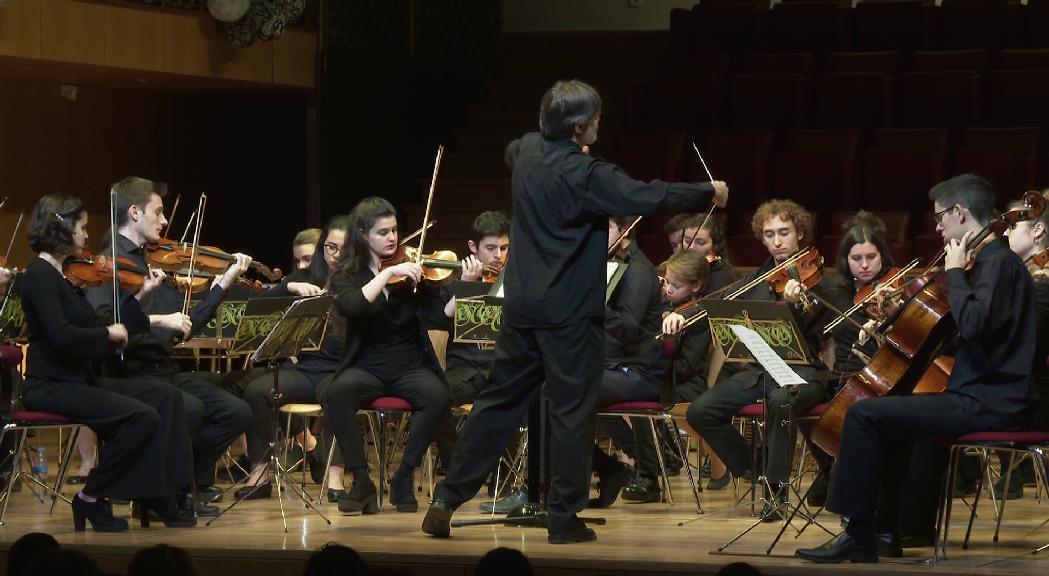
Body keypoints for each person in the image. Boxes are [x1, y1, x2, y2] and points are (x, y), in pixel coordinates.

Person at [422, 78, 728, 543]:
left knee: (497, 402)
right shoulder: (589, 175)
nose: (600, 125)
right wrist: (709, 191)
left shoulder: (526, 152)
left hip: (522, 307)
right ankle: (563, 520)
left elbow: (511, 151)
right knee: (570, 414)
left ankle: (446, 499)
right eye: (597, 119)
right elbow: (648, 195)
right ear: (581, 126)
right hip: (570, 314)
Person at [795, 174, 1036, 563]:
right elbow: (972, 331)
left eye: (941, 217)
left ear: (960, 213)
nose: (938, 226)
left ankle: (858, 534)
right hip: (979, 394)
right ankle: (885, 532)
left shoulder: (999, 266)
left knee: (862, 414)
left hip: (987, 401)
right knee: (889, 416)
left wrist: (955, 272)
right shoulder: (990, 265)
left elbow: (973, 323)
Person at [19, 194, 193, 531]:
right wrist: (106, 335)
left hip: (78, 380)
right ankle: (91, 497)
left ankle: (160, 493)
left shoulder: (64, 277)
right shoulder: (38, 276)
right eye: (81, 227)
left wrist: (139, 298)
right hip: (51, 385)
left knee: (164, 395)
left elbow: (105, 327)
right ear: (62, 227)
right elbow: (61, 335)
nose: (86, 235)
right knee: (140, 417)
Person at [86, 176, 254, 513]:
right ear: (134, 212)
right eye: (158, 212)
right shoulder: (109, 265)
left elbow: (183, 328)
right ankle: (163, 492)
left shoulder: (153, 262)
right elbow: (104, 325)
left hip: (163, 370)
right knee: (188, 407)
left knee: (236, 411)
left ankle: (179, 484)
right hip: (129, 373)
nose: (164, 221)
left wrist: (222, 284)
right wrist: (157, 320)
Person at [684, 199, 836, 519]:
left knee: (781, 400)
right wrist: (680, 317)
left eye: (784, 232)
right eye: (769, 234)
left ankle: (775, 496)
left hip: (803, 374)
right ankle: (759, 468)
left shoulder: (818, 281)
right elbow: (720, 301)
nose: (777, 241)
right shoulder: (757, 278)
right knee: (701, 411)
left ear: (800, 233)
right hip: (760, 372)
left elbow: (822, 333)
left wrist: (796, 305)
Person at [317, 197, 450, 514]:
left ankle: (403, 476)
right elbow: (352, 307)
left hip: (409, 368)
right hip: (366, 368)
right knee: (336, 392)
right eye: (383, 232)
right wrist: (385, 277)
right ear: (363, 235)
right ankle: (362, 480)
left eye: (394, 231)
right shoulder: (347, 275)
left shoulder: (412, 273)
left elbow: (439, 316)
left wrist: (463, 289)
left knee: (438, 395)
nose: (392, 238)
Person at [232, 216, 349, 500]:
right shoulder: (305, 278)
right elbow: (257, 306)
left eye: (343, 249)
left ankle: (336, 478)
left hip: (344, 370)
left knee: (341, 392)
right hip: (307, 371)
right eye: (330, 248)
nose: (335, 255)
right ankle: (259, 477)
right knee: (257, 390)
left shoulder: (363, 281)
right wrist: (288, 288)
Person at [435, 210, 511, 468]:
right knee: (433, 395)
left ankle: (504, 476)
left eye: (504, 247)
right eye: (490, 248)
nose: (498, 256)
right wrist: (464, 287)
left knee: (520, 396)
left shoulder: (517, 283)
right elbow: (439, 323)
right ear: (473, 247)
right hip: (463, 372)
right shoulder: (453, 284)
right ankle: (456, 464)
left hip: (500, 371)